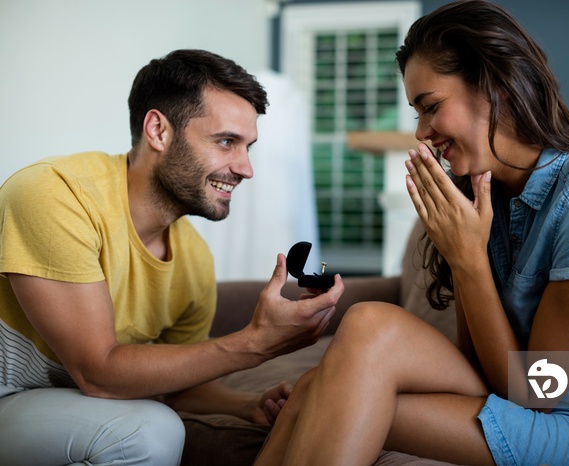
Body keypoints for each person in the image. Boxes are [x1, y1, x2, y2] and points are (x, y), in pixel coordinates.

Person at [252, 1, 569, 465]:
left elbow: (539, 387)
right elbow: (481, 361)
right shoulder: (490, 196)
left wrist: (468, 258)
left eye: (431, 107)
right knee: (353, 341)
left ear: (494, 86)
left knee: (337, 399)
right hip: (534, 399)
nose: (421, 132)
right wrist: (465, 252)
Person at [0, 49, 343, 466]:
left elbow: (179, 387)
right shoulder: (55, 195)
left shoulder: (194, 261)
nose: (246, 168)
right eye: (226, 141)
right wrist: (256, 343)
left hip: (50, 403)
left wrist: (245, 405)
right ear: (159, 131)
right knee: (150, 431)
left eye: (248, 146)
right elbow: (99, 372)